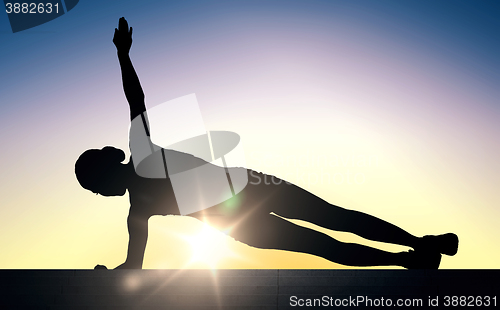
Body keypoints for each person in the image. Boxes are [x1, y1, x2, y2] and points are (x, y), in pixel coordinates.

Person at [76, 18, 458, 270]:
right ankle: (408, 258)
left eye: (95, 184)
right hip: (243, 216)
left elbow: (136, 100)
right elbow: (133, 266)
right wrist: (107, 272)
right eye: (93, 190)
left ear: (109, 167)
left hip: (251, 191)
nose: (99, 192)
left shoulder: (143, 162)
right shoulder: (136, 211)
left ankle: (418, 245)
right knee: (325, 241)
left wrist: (123, 56)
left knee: (335, 220)